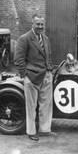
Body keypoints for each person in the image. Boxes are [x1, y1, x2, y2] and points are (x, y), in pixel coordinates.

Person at [14, 13, 56, 141]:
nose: (40, 26)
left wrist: (50, 71)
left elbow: (48, 55)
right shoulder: (24, 38)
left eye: (42, 24)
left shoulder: (46, 39)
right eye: (37, 24)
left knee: (46, 105)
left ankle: (45, 130)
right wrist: (25, 76)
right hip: (32, 78)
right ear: (32, 24)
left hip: (46, 76)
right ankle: (31, 132)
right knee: (31, 106)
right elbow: (18, 59)